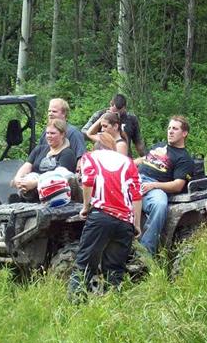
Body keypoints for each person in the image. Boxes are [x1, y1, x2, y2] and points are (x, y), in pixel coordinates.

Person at [68, 142, 142, 299]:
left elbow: (88, 181)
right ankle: (113, 306)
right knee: (115, 269)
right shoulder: (128, 161)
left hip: (100, 216)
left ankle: (73, 307)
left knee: (84, 264)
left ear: (96, 148)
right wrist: (136, 224)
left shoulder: (90, 157)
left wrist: (86, 207)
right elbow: (136, 194)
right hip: (125, 222)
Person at [135, 116, 194, 256]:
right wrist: (126, 163)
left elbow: (178, 185)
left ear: (184, 133)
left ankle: (145, 253)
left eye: (175, 128)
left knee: (160, 204)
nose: (170, 131)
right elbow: (144, 159)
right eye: (169, 128)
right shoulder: (159, 146)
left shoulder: (184, 158)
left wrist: (153, 185)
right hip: (134, 177)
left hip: (154, 185)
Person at [12, 118, 77, 198]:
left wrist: (35, 183)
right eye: (47, 133)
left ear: (62, 134)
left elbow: (60, 176)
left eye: (52, 133)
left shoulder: (67, 154)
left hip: (54, 196)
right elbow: (27, 166)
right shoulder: (39, 149)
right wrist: (18, 179)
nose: (49, 136)